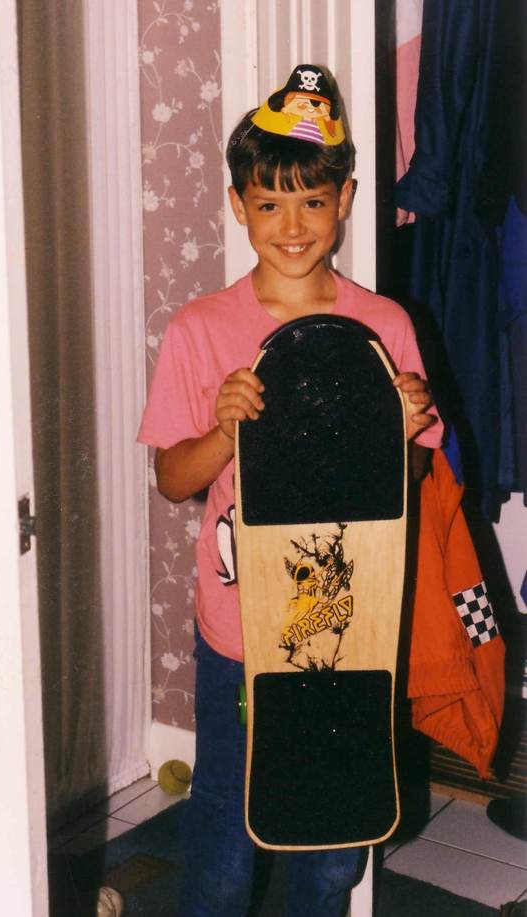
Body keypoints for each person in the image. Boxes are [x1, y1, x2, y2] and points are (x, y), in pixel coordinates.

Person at [138, 63, 443, 917]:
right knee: (226, 832)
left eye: (312, 200)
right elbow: (171, 479)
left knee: (335, 840)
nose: (293, 224)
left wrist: (403, 431)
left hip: (351, 624)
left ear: (346, 199)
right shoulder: (201, 327)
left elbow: (415, 478)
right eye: (269, 203)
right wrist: (224, 430)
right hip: (239, 629)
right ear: (239, 206)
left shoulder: (385, 325)